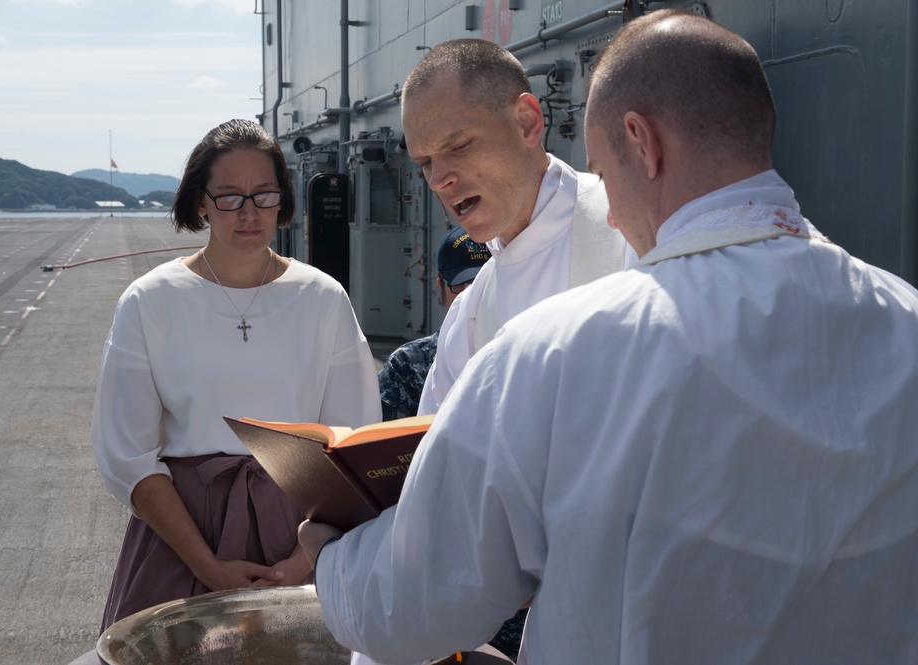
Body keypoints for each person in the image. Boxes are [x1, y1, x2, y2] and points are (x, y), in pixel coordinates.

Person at [301, 10, 918, 664]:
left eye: (601, 167)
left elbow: (414, 598)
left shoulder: (556, 351)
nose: (613, 214)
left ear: (642, 144)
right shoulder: (904, 318)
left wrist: (331, 564)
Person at [91, 118, 381, 631]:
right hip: (184, 532)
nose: (249, 213)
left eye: (263, 195)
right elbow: (127, 457)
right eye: (228, 196)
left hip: (305, 526)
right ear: (200, 202)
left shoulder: (322, 298)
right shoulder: (149, 301)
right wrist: (207, 565)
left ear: (282, 199)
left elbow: (353, 443)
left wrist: (304, 560)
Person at [403, 38, 625, 416]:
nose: (438, 180)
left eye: (458, 146)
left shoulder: (629, 231)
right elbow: (436, 452)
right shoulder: (470, 313)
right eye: (425, 162)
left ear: (526, 122)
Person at [378, 226, 489, 421]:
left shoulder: (520, 357)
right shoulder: (407, 366)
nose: (472, 297)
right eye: (463, 286)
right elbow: (383, 443)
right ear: (440, 287)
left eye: (485, 284)